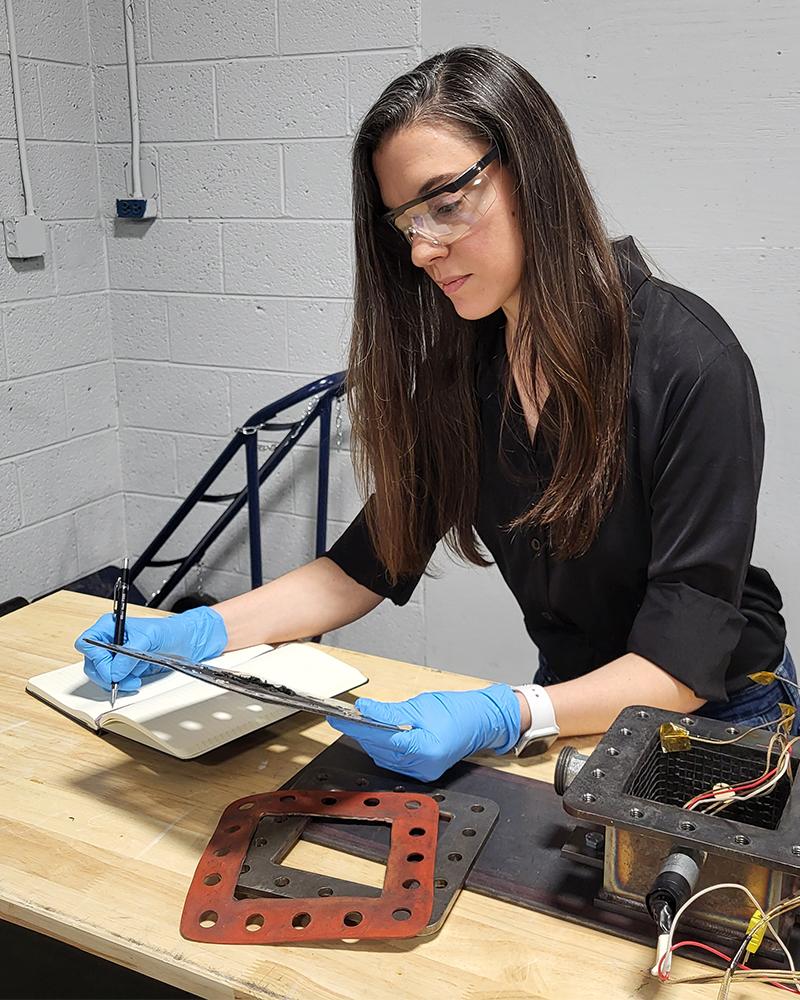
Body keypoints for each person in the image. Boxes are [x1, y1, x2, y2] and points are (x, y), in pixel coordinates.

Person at [77, 46, 792, 782]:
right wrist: (195, 633)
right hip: (574, 695)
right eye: (405, 222)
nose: (421, 248)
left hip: (721, 713)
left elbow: (681, 665)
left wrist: (502, 713)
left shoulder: (690, 362)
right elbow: (363, 566)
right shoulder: (469, 368)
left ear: (533, 171)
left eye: (446, 204)